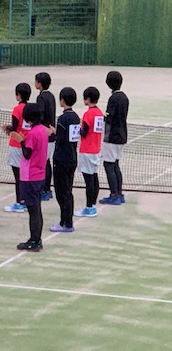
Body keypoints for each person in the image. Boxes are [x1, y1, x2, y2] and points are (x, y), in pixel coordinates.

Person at [10, 103, 48, 252]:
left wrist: (21, 141)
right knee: (37, 209)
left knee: (33, 210)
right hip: (39, 174)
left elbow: (27, 153)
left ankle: (34, 240)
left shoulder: (32, 134)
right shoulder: (43, 131)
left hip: (30, 176)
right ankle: (36, 239)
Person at [50, 87, 81, 233]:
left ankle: (66, 223)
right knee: (68, 191)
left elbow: (60, 139)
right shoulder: (75, 117)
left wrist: (52, 133)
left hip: (62, 159)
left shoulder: (63, 119)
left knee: (62, 192)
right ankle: (66, 221)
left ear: (62, 100)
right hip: (72, 158)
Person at [100, 71, 129, 205]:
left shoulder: (113, 99)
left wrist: (102, 119)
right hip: (122, 135)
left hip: (112, 137)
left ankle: (114, 194)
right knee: (115, 164)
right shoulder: (124, 97)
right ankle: (119, 193)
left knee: (109, 165)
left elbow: (109, 117)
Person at [75, 87, 104, 218]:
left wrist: (76, 129)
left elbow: (84, 132)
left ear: (88, 99)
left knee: (88, 180)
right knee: (94, 177)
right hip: (96, 149)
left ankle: (89, 207)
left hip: (87, 150)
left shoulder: (88, 114)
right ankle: (92, 205)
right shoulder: (99, 113)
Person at [4, 83, 32, 213]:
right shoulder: (31, 108)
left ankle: (20, 202)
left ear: (18, 95)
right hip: (28, 144)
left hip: (16, 145)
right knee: (26, 175)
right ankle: (26, 201)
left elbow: (14, 127)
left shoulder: (17, 109)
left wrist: (6, 129)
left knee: (18, 176)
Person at [35, 72, 56, 201]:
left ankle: (46, 189)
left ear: (40, 83)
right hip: (51, 133)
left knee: (44, 162)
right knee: (46, 162)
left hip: (45, 134)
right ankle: (46, 188)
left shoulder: (41, 98)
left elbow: (40, 114)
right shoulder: (51, 96)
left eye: (36, 81)